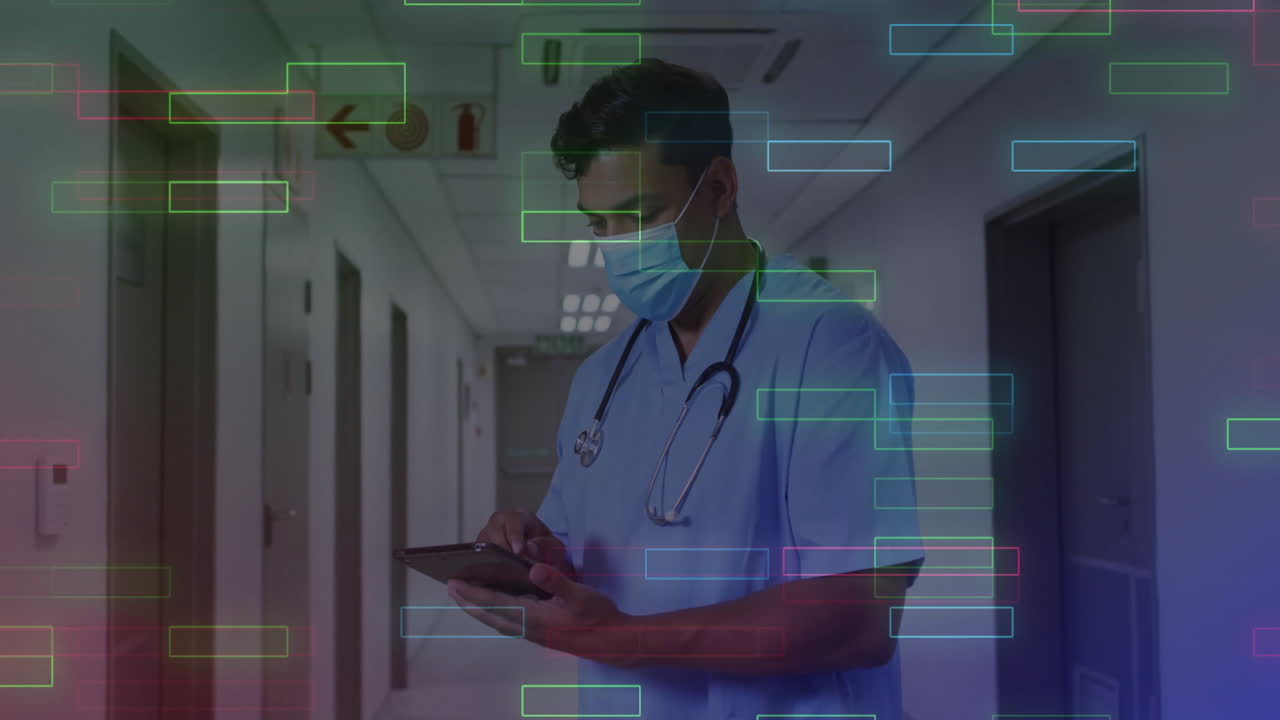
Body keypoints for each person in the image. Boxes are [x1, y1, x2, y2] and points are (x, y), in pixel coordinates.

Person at [447, 58, 925, 719]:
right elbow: (588, 545)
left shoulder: (829, 345)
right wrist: (533, 548)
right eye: (598, 224)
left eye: (638, 213)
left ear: (721, 185)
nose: (618, 245)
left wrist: (620, 638)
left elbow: (861, 618)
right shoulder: (603, 377)